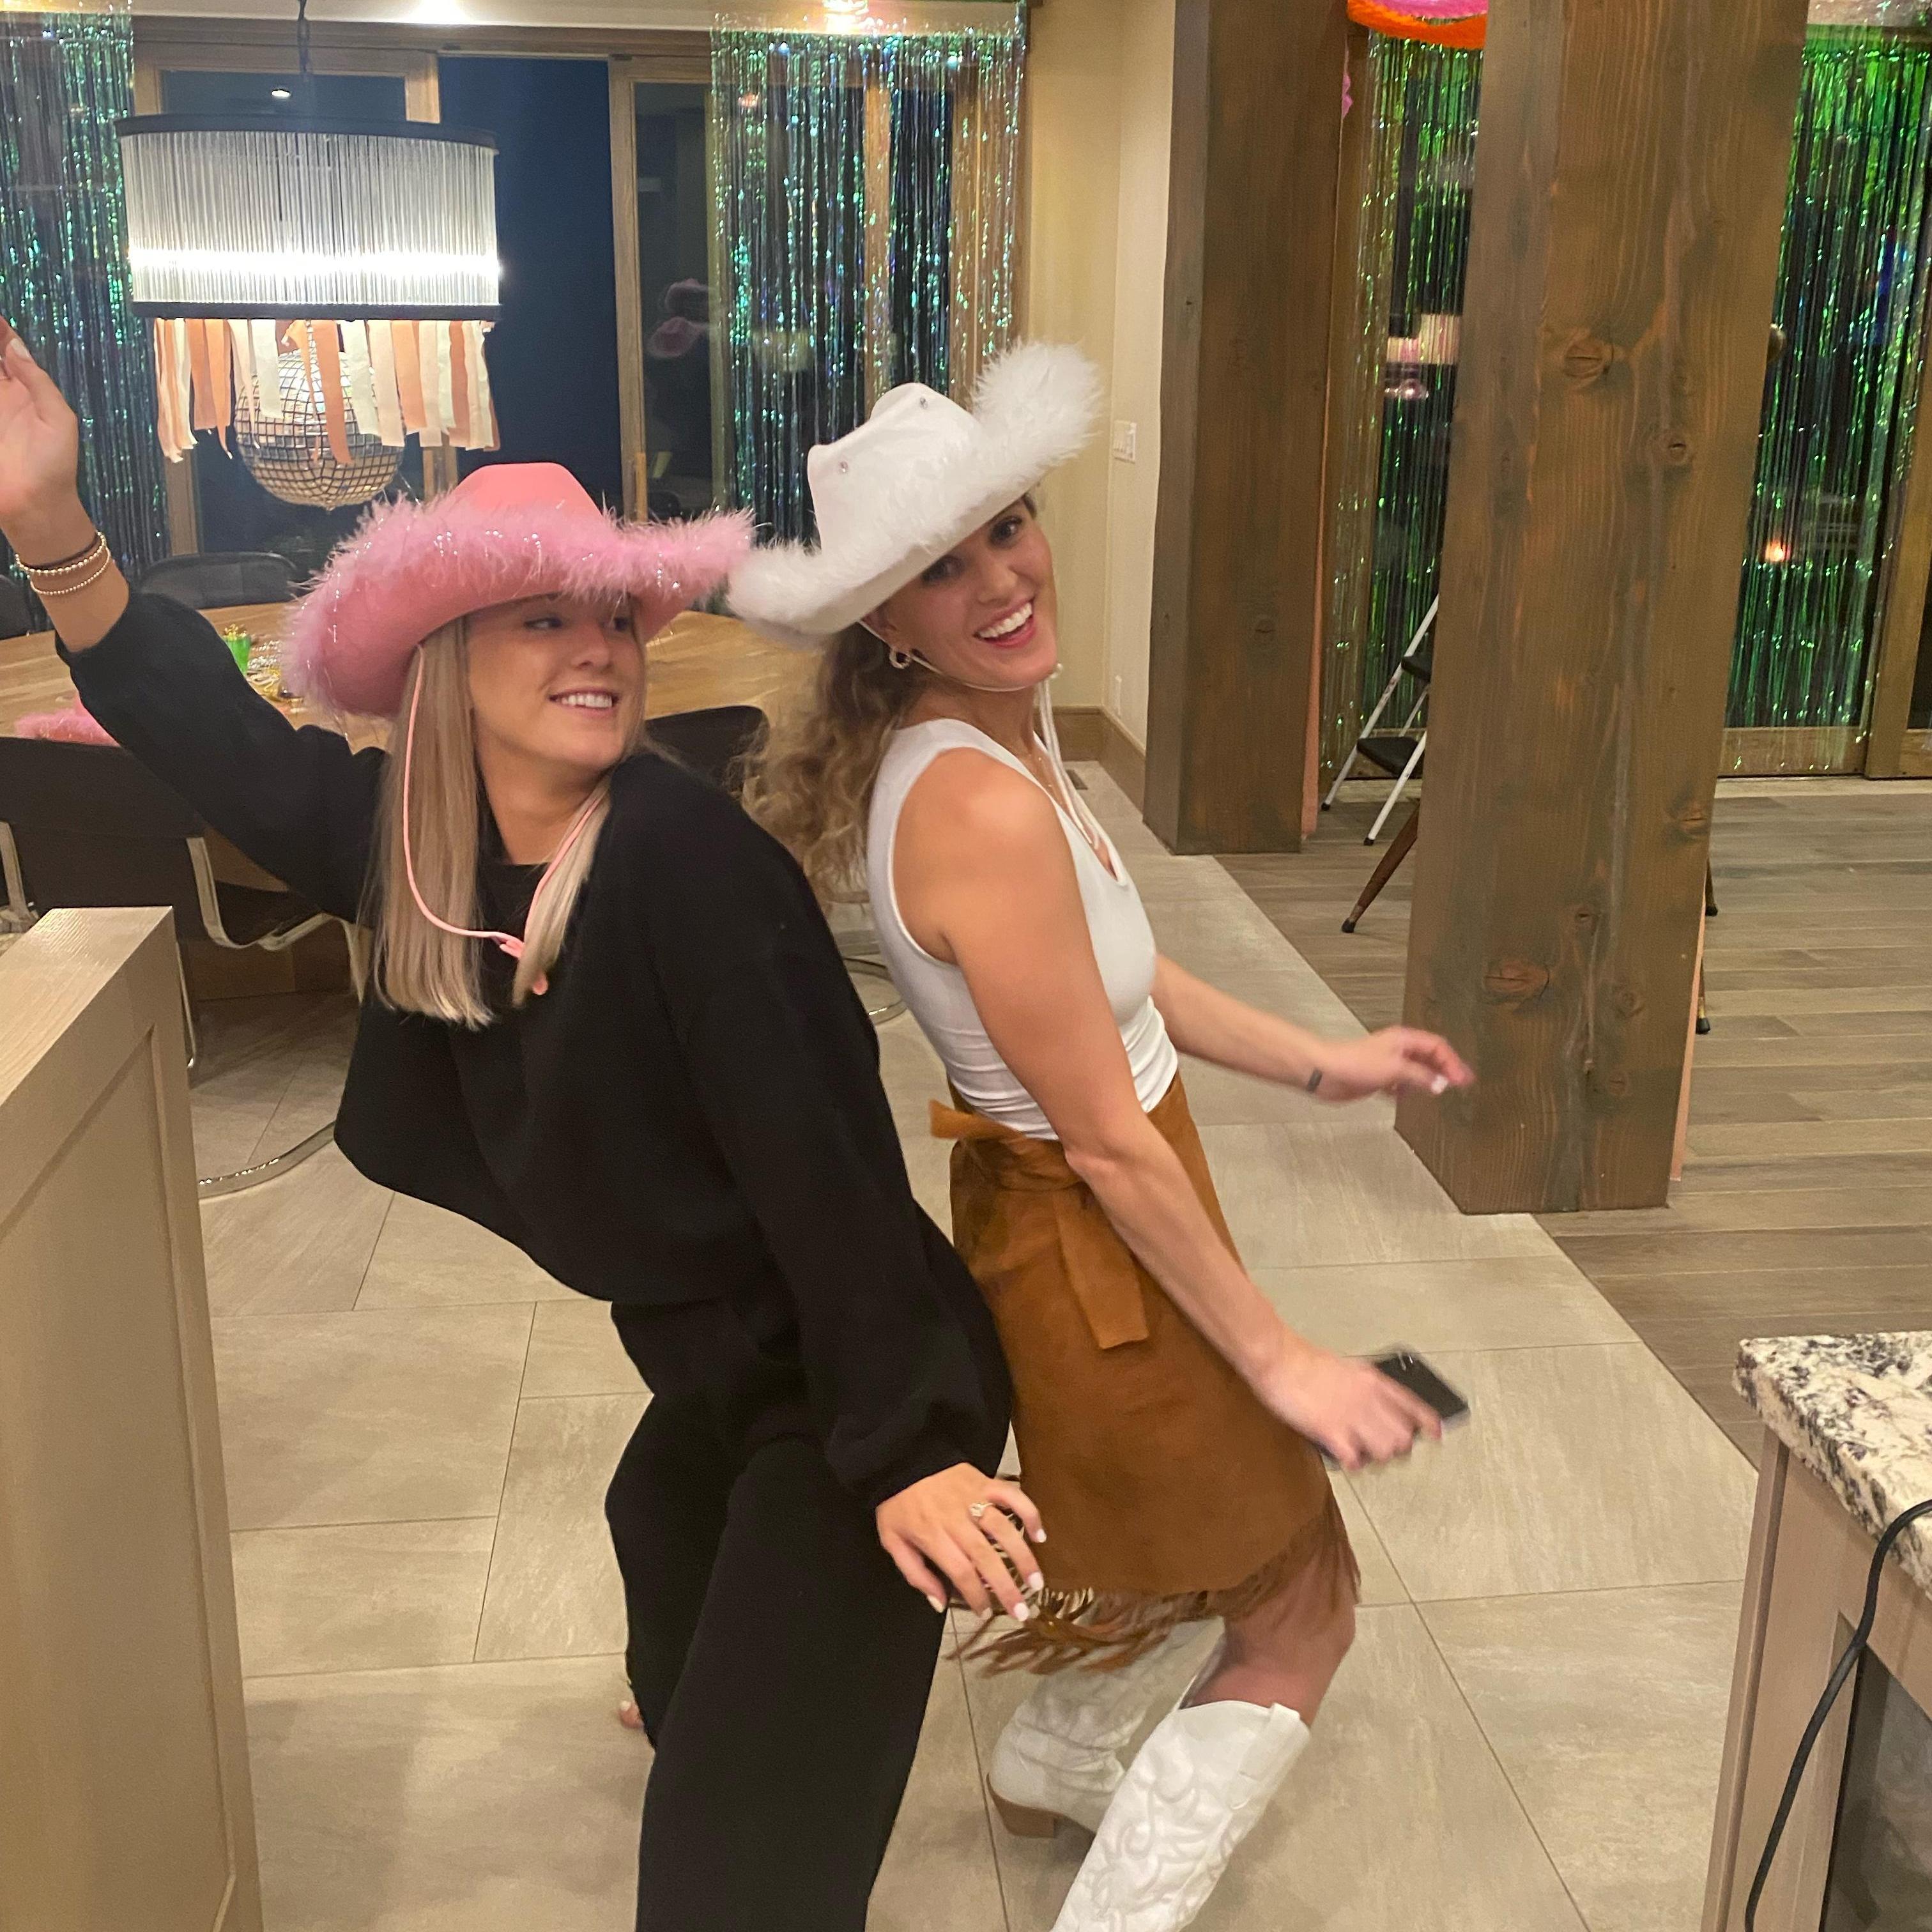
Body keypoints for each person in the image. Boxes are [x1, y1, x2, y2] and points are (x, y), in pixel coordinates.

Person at [0, 321, 1041, 1932]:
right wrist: (55, 529)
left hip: (859, 1375)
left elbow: (833, 1175)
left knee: (728, 1882)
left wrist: (908, 1454)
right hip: (718, 1367)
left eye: (613, 616)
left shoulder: (688, 869)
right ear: (450, 659)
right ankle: (711, 1704)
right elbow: (224, 747)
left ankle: (758, 1748)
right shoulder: (426, 856)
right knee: (657, 1532)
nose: (598, 648)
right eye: (544, 617)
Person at [735, 341, 1475, 1932]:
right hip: (1099, 1252)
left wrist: (1322, 1062)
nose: (1002, 579)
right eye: (945, 569)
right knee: (1300, 1604)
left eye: (1007, 528)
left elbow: (1128, 974)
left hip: (1105, 1220)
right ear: (886, 621)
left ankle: (1056, 1764)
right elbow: (1108, 1145)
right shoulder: (979, 805)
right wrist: (1282, 1363)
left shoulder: (1001, 733)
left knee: (1179, 1549)